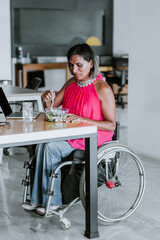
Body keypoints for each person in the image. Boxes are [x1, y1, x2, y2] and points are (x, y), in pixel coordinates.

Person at [21, 43, 116, 215]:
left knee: (50, 147)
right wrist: (47, 99)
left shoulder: (102, 88)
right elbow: (51, 109)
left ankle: (54, 202)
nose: (74, 70)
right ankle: (37, 200)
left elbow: (111, 125)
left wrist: (82, 119)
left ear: (91, 63)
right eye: (71, 65)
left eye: (79, 65)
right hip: (71, 133)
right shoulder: (72, 83)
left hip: (91, 137)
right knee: (42, 144)